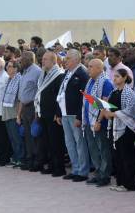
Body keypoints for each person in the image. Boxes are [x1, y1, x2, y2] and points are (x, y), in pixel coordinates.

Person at [55, 49, 91, 182]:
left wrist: (79, 116)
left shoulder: (82, 73)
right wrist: (58, 113)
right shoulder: (67, 73)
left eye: (68, 58)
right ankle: (75, 169)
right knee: (69, 143)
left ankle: (82, 171)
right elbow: (61, 93)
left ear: (76, 59)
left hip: (74, 114)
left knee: (79, 143)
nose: (65, 61)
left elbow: (83, 97)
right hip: (65, 113)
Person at [101, 69, 135, 192]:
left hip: (126, 128)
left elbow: (130, 111)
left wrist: (112, 114)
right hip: (115, 127)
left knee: (126, 157)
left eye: (117, 76)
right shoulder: (114, 92)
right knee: (117, 156)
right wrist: (104, 107)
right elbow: (110, 107)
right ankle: (120, 182)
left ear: (124, 78)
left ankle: (129, 184)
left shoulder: (129, 92)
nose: (115, 78)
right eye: (114, 76)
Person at [83, 59, 114, 187]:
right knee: (93, 149)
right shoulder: (90, 81)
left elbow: (105, 105)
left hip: (100, 122)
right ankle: (97, 173)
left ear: (99, 69)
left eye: (91, 67)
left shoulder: (106, 83)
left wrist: (99, 121)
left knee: (103, 149)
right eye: (88, 66)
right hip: (89, 121)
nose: (88, 69)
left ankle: (105, 176)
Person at [34, 51, 66, 177]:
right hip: (43, 113)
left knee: (56, 142)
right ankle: (51, 165)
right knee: (47, 142)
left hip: (53, 115)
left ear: (54, 61)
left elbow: (60, 96)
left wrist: (58, 113)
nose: (43, 61)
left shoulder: (59, 75)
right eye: (42, 59)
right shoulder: (43, 74)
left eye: (46, 59)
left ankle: (59, 168)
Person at [17, 51, 42, 171]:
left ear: (29, 59)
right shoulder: (25, 72)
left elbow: (39, 92)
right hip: (25, 108)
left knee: (34, 135)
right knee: (27, 136)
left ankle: (37, 162)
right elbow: (23, 93)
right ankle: (29, 160)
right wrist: (20, 112)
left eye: (22, 59)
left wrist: (37, 111)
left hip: (33, 107)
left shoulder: (37, 72)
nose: (20, 61)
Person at [2, 61, 24, 168]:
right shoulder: (9, 79)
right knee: (11, 138)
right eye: (7, 66)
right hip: (7, 113)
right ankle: (16, 158)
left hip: (14, 113)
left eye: (10, 67)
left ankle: (21, 159)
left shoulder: (19, 79)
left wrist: (18, 115)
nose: (7, 68)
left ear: (16, 68)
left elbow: (20, 99)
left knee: (17, 138)